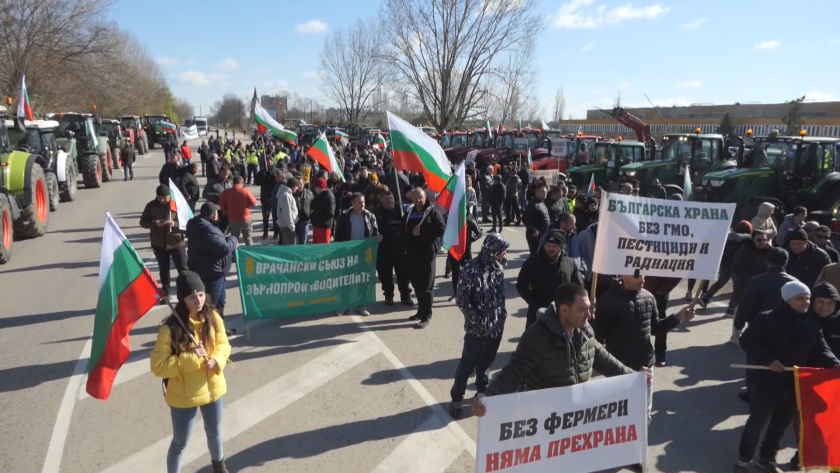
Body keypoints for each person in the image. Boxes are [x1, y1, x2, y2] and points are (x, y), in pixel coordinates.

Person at [472, 283, 640, 415]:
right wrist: (488, 399)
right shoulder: (537, 337)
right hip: (546, 421)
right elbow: (513, 373)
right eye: (583, 309)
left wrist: (636, 378)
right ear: (564, 310)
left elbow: (604, 359)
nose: (589, 315)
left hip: (579, 418)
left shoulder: (585, 331)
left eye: (589, 308)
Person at [733, 281, 840, 473]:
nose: (806, 302)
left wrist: (835, 363)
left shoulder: (812, 323)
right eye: (800, 298)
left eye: (808, 298)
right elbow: (746, 340)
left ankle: (766, 458)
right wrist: (769, 360)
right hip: (767, 382)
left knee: (780, 425)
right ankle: (744, 458)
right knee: (757, 422)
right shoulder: (766, 318)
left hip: (794, 384)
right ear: (787, 298)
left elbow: (822, 348)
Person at [150, 271, 231, 473]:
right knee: (180, 443)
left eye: (201, 294)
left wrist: (217, 359)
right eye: (192, 297)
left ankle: (219, 468)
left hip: (212, 387)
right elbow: (158, 366)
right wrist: (191, 358)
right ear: (182, 299)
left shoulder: (212, 316)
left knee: (215, 433)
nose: (198, 301)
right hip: (183, 397)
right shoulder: (170, 329)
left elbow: (223, 343)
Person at [595, 273, 695, 422]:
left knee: (643, 416)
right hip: (620, 369)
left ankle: (641, 445)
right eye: (637, 276)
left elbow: (655, 328)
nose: (643, 279)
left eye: (643, 275)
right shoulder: (608, 301)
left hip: (646, 367)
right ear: (623, 275)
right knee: (620, 417)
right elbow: (597, 339)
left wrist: (678, 317)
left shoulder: (648, 297)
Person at [449, 233, 510, 418]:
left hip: (496, 328)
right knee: (467, 365)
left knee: (486, 364)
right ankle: (457, 399)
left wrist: (501, 317)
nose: (504, 253)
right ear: (491, 250)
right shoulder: (471, 269)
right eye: (501, 250)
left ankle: (482, 395)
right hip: (476, 330)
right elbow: (462, 300)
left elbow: (500, 296)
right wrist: (478, 320)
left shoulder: (498, 268)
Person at [186, 203, 238, 330]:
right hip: (211, 274)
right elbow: (224, 248)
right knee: (209, 306)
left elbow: (216, 243)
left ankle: (220, 330)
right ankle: (206, 333)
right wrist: (233, 239)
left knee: (220, 303)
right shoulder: (208, 230)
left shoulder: (200, 226)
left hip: (214, 272)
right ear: (214, 214)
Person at [516, 229, 583, 328]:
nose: (550, 248)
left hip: (563, 315)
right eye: (548, 245)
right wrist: (534, 301)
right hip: (539, 315)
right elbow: (521, 285)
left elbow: (578, 287)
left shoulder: (570, 263)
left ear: (562, 247)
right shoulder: (533, 262)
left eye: (554, 246)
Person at [404, 188, 446, 329]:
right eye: (415, 198)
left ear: (425, 197)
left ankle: (427, 315)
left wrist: (423, 231)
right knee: (416, 284)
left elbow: (441, 229)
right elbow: (404, 231)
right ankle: (420, 311)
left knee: (427, 287)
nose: (418, 200)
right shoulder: (409, 212)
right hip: (412, 255)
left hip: (427, 255)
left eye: (420, 197)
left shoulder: (432, 212)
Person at [334, 193, 381, 316]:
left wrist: (378, 237)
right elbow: (338, 236)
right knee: (346, 280)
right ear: (352, 203)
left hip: (364, 253)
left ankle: (361, 305)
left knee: (363, 279)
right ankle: (344, 305)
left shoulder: (370, 216)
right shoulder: (344, 217)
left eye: (364, 202)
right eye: (359, 202)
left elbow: (375, 231)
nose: (362, 205)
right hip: (348, 253)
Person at [139, 185, 187, 302]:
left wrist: (174, 224)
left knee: (183, 269)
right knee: (164, 270)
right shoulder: (151, 206)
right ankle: (166, 292)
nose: (163, 200)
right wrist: (154, 223)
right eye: (160, 198)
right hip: (159, 243)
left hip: (176, 242)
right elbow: (143, 222)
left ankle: (186, 290)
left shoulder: (176, 204)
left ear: (169, 196)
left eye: (165, 197)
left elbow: (186, 221)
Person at [375, 191, 413, 306]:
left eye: (391, 198)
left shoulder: (400, 210)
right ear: (381, 200)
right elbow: (372, 229)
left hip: (400, 249)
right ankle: (388, 295)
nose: (390, 201)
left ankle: (405, 296)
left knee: (403, 274)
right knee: (385, 275)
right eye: (387, 199)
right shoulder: (376, 214)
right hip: (383, 250)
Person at [730, 230, 772, 317]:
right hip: (746, 288)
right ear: (753, 240)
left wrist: (771, 249)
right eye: (759, 240)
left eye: (764, 240)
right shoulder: (744, 251)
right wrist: (752, 281)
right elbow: (737, 270)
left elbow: (776, 261)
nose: (762, 242)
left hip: (761, 289)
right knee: (740, 317)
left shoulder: (767, 251)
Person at [446, 213, 482, 301]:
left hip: (466, 250)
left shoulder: (469, 218)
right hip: (454, 249)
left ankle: (469, 294)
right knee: (455, 273)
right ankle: (456, 294)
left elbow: (479, 233)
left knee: (468, 273)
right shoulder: (451, 218)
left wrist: (471, 239)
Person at [219, 176, 257, 246]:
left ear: (233, 183)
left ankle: (235, 255)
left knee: (234, 238)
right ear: (242, 183)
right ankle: (250, 254)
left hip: (232, 218)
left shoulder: (226, 192)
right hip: (245, 218)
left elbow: (222, 205)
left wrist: (226, 212)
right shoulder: (246, 191)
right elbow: (254, 203)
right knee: (248, 238)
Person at [202, 165, 234, 233]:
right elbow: (204, 194)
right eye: (223, 174)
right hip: (215, 210)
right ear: (219, 172)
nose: (225, 176)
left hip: (226, 210)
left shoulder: (229, 182)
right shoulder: (212, 182)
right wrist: (217, 195)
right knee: (215, 229)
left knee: (224, 229)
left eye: (227, 175)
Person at [523, 184, 550, 255]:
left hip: (544, 233)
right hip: (535, 236)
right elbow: (525, 219)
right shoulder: (533, 204)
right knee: (535, 255)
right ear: (536, 192)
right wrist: (533, 230)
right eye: (543, 192)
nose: (545, 194)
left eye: (546, 192)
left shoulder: (542, 203)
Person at [275, 177, 300, 245]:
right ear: (293, 185)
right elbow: (287, 213)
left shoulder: (286, 195)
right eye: (297, 186)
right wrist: (292, 227)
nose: (297, 188)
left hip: (287, 225)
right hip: (287, 226)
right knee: (290, 247)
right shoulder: (286, 196)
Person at [311, 177, 336, 244]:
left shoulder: (329, 196)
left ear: (321, 187)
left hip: (324, 227)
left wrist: (318, 218)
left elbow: (330, 213)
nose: (315, 189)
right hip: (317, 225)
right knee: (316, 246)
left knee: (323, 247)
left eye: (316, 187)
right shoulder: (319, 195)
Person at [257, 162, 276, 239]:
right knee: (265, 217)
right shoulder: (261, 172)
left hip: (274, 196)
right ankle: (265, 232)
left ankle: (276, 232)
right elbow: (257, 182)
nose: (268, 163)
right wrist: (263, 176)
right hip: (265, 197)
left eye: (270, 161)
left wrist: (271, 174)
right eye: (266, 161)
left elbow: (277, 180)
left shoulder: (275, 171)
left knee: (275, 217)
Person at [293, 180, 314, 245]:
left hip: (305, 222)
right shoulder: (292, 193)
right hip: (294, 222)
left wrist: (309, 214)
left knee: (302, 243)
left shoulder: (309, 193)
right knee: (293, 243)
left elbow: (313, 205)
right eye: (297, 184)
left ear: (304, 184)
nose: (299, 186)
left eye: (300, 184)